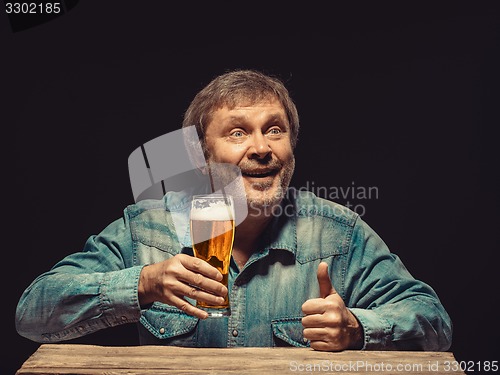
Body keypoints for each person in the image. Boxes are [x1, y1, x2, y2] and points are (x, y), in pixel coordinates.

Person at [16, 69, 452, 351]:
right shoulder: (148, 229)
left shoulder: (339, 233)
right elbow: (32, 313)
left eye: (274, 130)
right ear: (202, 158)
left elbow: (433, 321)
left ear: (292, 149)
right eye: (238, 133)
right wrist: (142, 283)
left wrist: (358, 327)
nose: (261, 148)